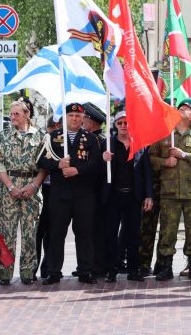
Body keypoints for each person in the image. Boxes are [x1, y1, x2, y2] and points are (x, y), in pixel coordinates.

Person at [37, 102, 104, 285]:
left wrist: (77, 170)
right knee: (56, 233)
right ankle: (53, 271)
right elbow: (40, 160)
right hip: (60, 194)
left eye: (78, 116)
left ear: (83, 118)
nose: (74, 119)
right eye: (71, 116)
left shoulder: (91, 139)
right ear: (65, 118)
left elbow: (96, 164)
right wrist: (57, 165)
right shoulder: (52, 137)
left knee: (84, 233)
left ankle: (85, 270)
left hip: (84, 194)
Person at [150, 99, 191, 281]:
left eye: (186, 109)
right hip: (170, 192)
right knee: (168, 231)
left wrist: (184, 155)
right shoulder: (164, 135)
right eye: (180, 108)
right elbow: (151, 160)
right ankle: (165, 266)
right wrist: (165, 162)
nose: (181, 110)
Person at [0, 100, 47, 286]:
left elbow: (45, 166)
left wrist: (34, 186)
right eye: (11, 113)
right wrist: (10, 187)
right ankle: (5, 273)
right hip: (9, 189)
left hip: (32, 188)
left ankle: (27, 273)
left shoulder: (40, 135)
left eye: (16, 114)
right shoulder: (3, 136)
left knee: (29, 233)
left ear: (27, 114)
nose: (12, 117)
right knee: (6, 233)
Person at [102, 111, 154, 282]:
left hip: (133, 196)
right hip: (113, 196)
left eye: (126, 122)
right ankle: (111, 270)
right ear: (115, 125)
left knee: (133, 235)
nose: (124, 126)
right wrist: (103, 159)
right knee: (110, 234)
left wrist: (148, 196)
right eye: (120, 123)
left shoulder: (140, 144)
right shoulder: (107, 144)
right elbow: (95, 169)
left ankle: (133, 270)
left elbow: (147, 172)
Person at [82, 101, 108, 278]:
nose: (81, 122)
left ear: (90, 122)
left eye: (83, 119)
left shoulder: (97, 141)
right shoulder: (98, 139)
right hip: (92, 192)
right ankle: (92, 264)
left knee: (96, 230)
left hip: (96, 191)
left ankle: (97, 265)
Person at [36, 116, 61, 280]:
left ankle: (48, 267)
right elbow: (39, 163)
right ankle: (34, 267)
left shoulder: (63, 142)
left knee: (53, 232)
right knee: (39, 231)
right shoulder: (44, 140)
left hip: (56, 191)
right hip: (42, 189)